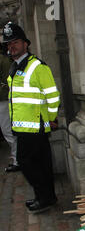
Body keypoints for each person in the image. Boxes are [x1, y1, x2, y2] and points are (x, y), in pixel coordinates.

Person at [2, 22, 60, 214]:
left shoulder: (37, 66)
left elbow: (52, 96)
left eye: (16, 42)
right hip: (22, 127)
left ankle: (43, 197)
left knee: (27, 163)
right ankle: (46, 197)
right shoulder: (15, 67)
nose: (12, 46)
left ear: (26, 43)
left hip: (36, 127)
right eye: (9, 44)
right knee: (41, 164)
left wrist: (52, 118)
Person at [0, 45, 19, 172]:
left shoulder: (4, 61)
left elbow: (9, 82)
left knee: (8, 130)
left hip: (4, 99)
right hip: (3, 99)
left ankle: (17, 159)